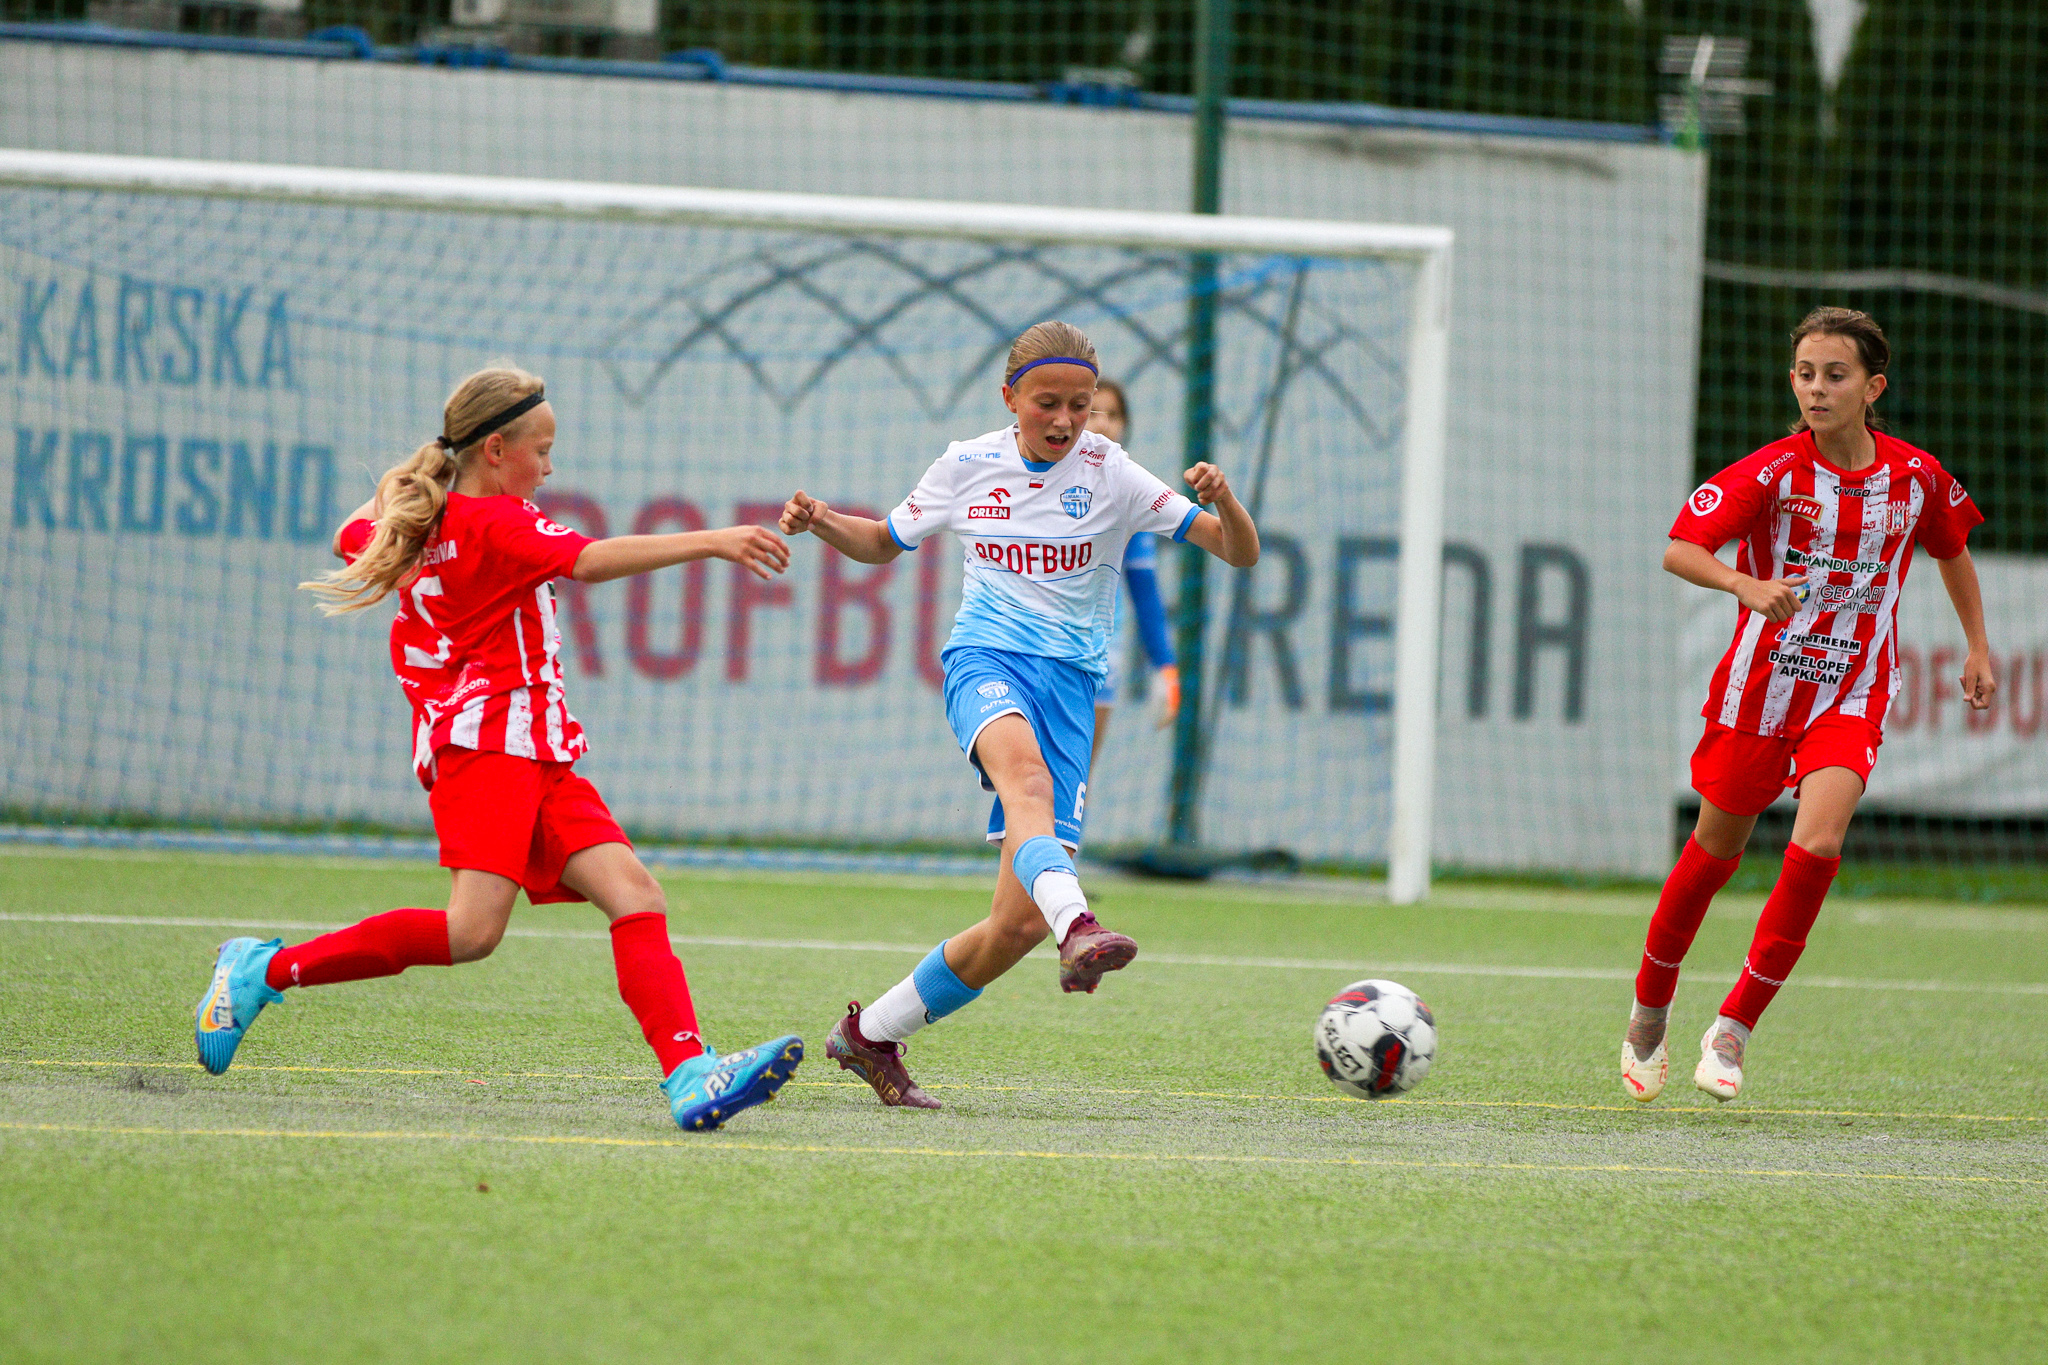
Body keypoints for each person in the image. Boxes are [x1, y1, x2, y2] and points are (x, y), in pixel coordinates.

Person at [192, 365, 805, 1132]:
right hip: (489, 746)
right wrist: (714, 540)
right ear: (494, 449)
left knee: (636, 894)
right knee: (470, 932)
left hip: (537, 747)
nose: (549, 467)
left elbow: (360, 523)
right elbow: (588, 561)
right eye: (541, 450)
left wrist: (417, 482)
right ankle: (263, 968)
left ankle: (689, 1072)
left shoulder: (421, 518)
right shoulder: (495, 523)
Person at [778, 321, 1260, 1108]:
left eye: (1081, 404)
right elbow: (880, 540)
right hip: (985, 665)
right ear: (1011, 399)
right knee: (1025, 785)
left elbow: (1237, 552)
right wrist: (824, 519)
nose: (1067, 420)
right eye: (1048, 404)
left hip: (1071, 689)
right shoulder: (966, 463)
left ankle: (870, 1035)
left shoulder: (1114, 473)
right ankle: (1081, 926)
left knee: (1012, 927)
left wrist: (1228, 501)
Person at [1622, 308, 1995, 1103]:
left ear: (1873, 386)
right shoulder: (1773, 472)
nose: (1817, 388)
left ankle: (1733, 1029)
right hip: (1762, 690)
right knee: (1712, 855)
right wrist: (1742, 583)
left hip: (1854, 690)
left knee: (1819, 843)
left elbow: (1951, 548)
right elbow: (1679, 546)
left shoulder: (1917, 476)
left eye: (1835, 374)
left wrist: (1978, 646)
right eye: (1805, 374)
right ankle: (1649, 1007)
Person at [1084, 379, 1180, 779]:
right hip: (1039, 644)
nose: (1104, 424)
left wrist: (1166, 667)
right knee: (1028, 775)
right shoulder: (1040, 481)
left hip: (1098, 651)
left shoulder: (1129, 494)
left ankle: (1064, 843)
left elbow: (1145, 591)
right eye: (1093, 412)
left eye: (1115, 414)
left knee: (1074, 778)